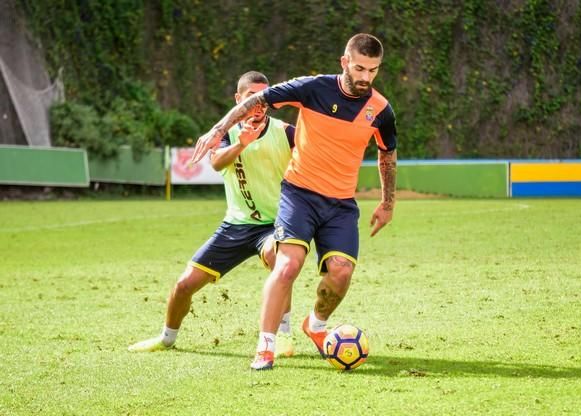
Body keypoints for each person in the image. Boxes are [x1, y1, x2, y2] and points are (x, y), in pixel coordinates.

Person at [191, 33, 397, 370]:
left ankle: (315, 326)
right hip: (299, 194)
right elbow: (256, 102)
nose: (365, 77)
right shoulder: (312, 88)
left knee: (341, 273)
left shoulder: (381, 110)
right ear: (345, 62)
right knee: (287, 265)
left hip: (341, 204)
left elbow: (387, 154)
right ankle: (265, 346)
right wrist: (218, 130)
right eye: (359, 68)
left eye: (372, 71)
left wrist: (388, 203)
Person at [128, 71, 297, 358]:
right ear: (237, 100)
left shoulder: (286, 132)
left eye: (263, 100)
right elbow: (217, 163)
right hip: (235, 226)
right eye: (251, 99)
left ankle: (283, 334)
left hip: (275, 224)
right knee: (184, 286)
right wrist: (242, 143)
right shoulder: (226, 133)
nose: (259, 106)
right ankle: (166, 339)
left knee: (276, 257)